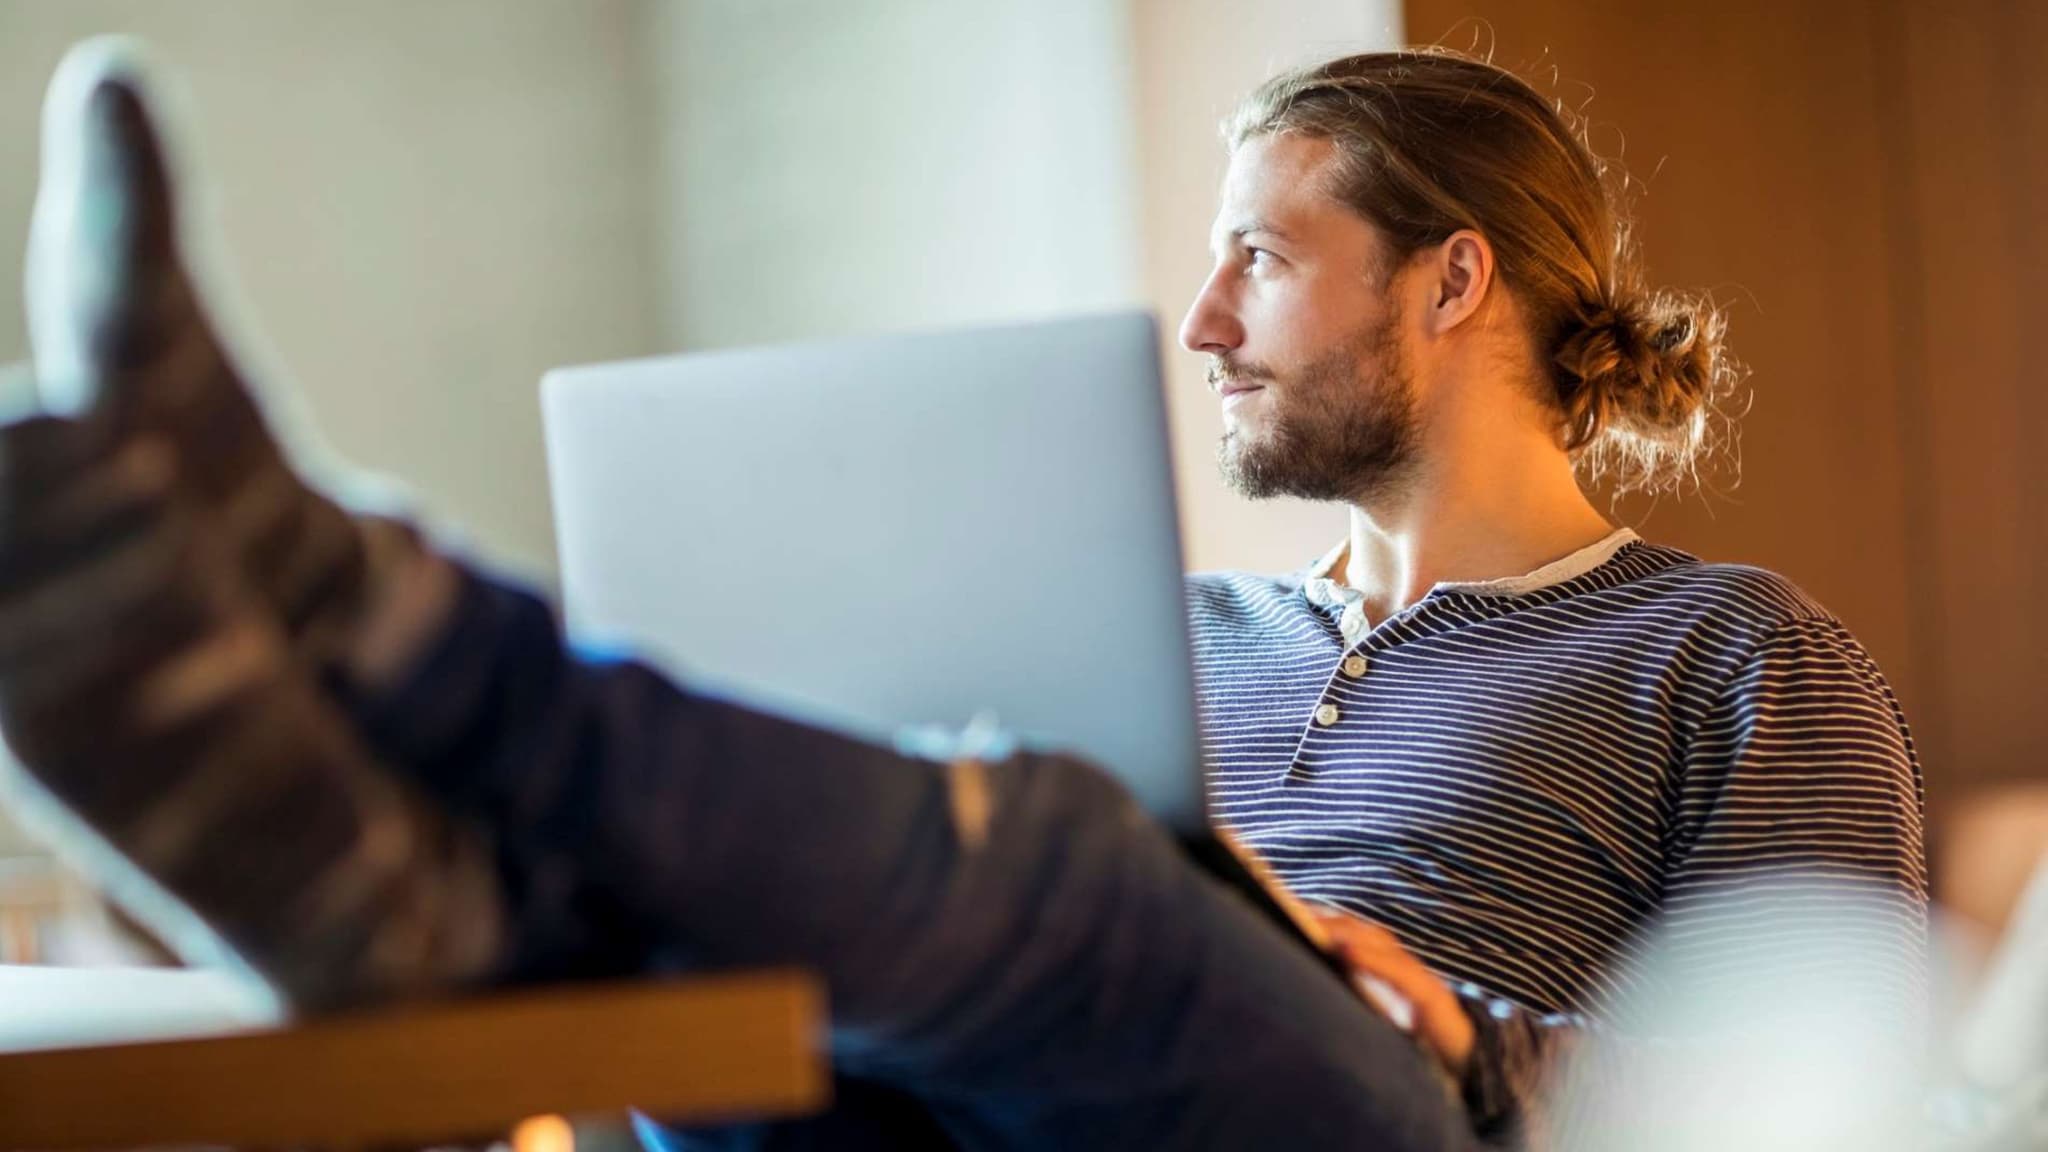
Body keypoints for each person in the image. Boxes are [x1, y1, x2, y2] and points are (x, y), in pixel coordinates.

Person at [0, 39, 1924, 1152]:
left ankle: (354, 606)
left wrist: (1470, 1040)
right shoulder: (1171, 634)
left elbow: (1844, 1095)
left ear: (1452, 282)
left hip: (1380, 1125)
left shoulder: (1730, 652)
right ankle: (398, 887)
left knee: (1076, 855)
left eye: (1260, 255)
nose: (1200, 321)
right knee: (759, 1011)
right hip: (990, 1097)